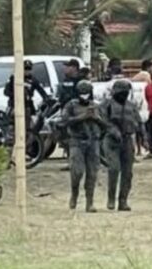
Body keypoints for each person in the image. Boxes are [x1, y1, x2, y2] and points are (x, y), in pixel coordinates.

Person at [62, 80, 105, 212]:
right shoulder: (71, 105)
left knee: (92, 173)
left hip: (93, 142)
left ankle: (89, 202)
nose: (84, 96)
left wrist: (96, 118)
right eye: (82, 93)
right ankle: (74, 194)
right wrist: (82, 117)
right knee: (77, 171)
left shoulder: (96, 106)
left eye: (86, 93)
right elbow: (65, 121)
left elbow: (105, 125)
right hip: (77, 141)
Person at [100, 80, 141, 211]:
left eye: (126, 93)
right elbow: (102, 120)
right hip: (111, 140)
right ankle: (111, 198)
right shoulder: (107, 104)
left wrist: (145, 138)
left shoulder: (131, 106)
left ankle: (123, 200)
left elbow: (139, 122)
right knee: (114, 169)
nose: (123, 95)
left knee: (128, 173)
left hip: (127, 139)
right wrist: (112, 130)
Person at [4, 60, 51, 145]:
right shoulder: (14, 78)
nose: (27, 71)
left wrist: (47, 99)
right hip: (15, 105)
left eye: (29, 69)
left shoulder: (33, 80)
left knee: (29, 127)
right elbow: (6, 91)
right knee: (13, 127)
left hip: (27, 106)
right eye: (25, 69)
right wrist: (16, 95)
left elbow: (41, 91)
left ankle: (28, 145)